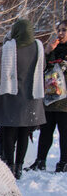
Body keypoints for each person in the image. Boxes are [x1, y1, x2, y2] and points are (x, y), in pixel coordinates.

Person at [0, 19, 46, 179]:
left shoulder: (9, 47)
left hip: (11, 95)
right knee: (24, 132)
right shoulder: (38, 47)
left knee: (9, 131)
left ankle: (9, 164)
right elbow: (42, 68)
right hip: (31, 97)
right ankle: (19, 166)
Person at [28, 19, 67, 172]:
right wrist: (48, 51)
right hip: (50, 98)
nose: (61, 33)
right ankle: (40, 160)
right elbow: (42, 68)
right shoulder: (53, 49)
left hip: (64, 101)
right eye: (59, 30)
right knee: (46, 131)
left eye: (64, 30)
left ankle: (64, 162)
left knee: (64, 133)